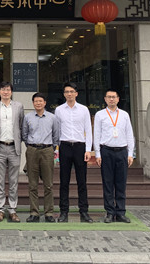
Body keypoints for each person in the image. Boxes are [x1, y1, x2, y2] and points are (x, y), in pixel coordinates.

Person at [54, 82, 93, 223]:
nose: (69, 94)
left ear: (76, 93)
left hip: (79, 147)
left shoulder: (83, 109)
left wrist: (88, 150)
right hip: (64, 146)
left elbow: (88, 130)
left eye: (71, 91)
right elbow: (57, 130)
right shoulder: (59, 110)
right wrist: (56, 149)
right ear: (64, 94)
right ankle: (64, 211)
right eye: (66, 92)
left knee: (82, 181)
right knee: (64, 181)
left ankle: (84, 211)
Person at [94, 89, 135, 223]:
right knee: (108, 183)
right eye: (109, 97)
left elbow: (129, 134)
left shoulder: (124, 115)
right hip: (106, 151)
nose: (111, 99)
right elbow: (97, 135)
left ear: (118, 99)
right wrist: (98, 154)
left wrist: (130, 153)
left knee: (121, 183)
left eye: (114, 97)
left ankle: (121, 212)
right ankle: (110, 212)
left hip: (122, 151)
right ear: (105, 99)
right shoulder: (100, 115)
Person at [22, 92, 59, 222]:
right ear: (33, 103)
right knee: (32, 184)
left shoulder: (52, 118)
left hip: (47, 150)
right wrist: (31, 146)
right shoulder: (27, 117)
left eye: (40, 101)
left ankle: (49, 213)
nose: (38, 103)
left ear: (45, 103)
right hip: (32, 150)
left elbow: (56, 136)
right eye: (36, 101)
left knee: (48, 184)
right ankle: (34, 212)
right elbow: (24, 135)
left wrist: (51, 149)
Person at [0, 81, 24, 223]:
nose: (5, 92)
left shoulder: (19, 106)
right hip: (0, 147)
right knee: (0, 180)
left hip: (14, 147)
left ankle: (13, 210)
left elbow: (20, 125)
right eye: (3, 89)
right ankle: (0, 209)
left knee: (14, 180)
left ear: (11, 92)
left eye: (8, 89)